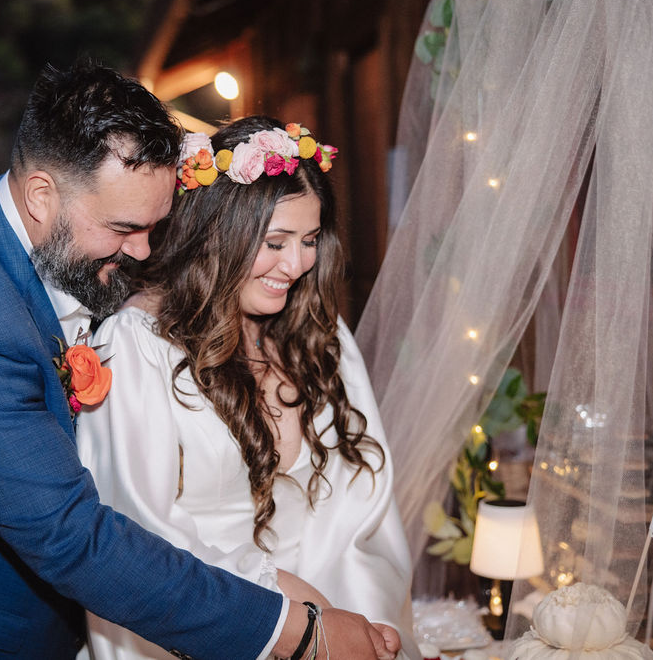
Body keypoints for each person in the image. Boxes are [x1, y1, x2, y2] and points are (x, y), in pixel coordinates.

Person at [0, 62, 399, 660]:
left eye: (155, 226)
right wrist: (294, 632)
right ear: (42, 194)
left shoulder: (42, 237)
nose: (144, 249)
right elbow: (73, 539)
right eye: (124, 227)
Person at [76, 116, 417, 660]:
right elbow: (137, 531)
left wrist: (365, 629)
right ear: (216, 234)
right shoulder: (138, 347)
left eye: (309, 240)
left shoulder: (321, 339)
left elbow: (361, 515)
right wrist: (295, 616)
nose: (298, 264)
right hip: (203, 632)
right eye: (275, 241)